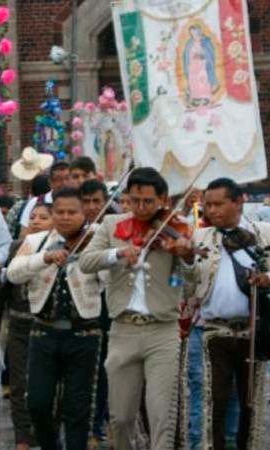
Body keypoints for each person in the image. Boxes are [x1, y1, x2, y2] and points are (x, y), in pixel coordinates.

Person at [78, 168, 188, 450]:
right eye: (135, 200)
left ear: (162, 199)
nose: (140, 208)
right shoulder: (112, 224)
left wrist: (186, 255)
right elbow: (86, 261)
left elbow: (194, 278)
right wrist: (117, 254)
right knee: (121, 415)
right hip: (123, 328)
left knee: (160, 412)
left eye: (148, 202)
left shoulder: (178, 227)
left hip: (162, 329)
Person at [7, 188, 103, 450]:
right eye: (59, 212)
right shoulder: (37, 241)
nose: (65, 217)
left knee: (78, 406)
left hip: (83, 334)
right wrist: (44, 258)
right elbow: (13, 273)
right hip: (43, 333)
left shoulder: (96, 240)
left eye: (72, 212)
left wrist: (96, 255)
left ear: (84, 213)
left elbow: (109, 279)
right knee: (37, 402)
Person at [179, 178, 270, 450]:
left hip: (255, 330)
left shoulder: (264, 233)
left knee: (249, 403)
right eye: (208, 205)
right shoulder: (198, 237)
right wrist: (185, 259)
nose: (212, 211)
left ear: (238, 202)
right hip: (210, 330)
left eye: (219, 204)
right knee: (209, 402)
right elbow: (189, 285)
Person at [0, 202, 53, 450]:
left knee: (43, 386)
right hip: (18, 327)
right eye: (33, 217)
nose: (36, 221)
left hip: (46, 327)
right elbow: (3, 290)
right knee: (18, 385)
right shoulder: (18, 248)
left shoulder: (60, 248)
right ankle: (22, 438)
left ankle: (44, 431)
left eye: (43, 217)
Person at [78, 178, 114, 445]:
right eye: (86, 202)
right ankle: (87, 426)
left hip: (106, 309)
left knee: (104, 370)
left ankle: (102, 424)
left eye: (97, 202)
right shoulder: (70, 228)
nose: (92, 207)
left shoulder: (113, 229)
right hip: (79, 310)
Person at [18, 161, 71, 230]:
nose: (64, 183)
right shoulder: (36, 202)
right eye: (59, 179)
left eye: (67, 178)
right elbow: (24, 231)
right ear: (50, 183)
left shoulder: (79, 201)